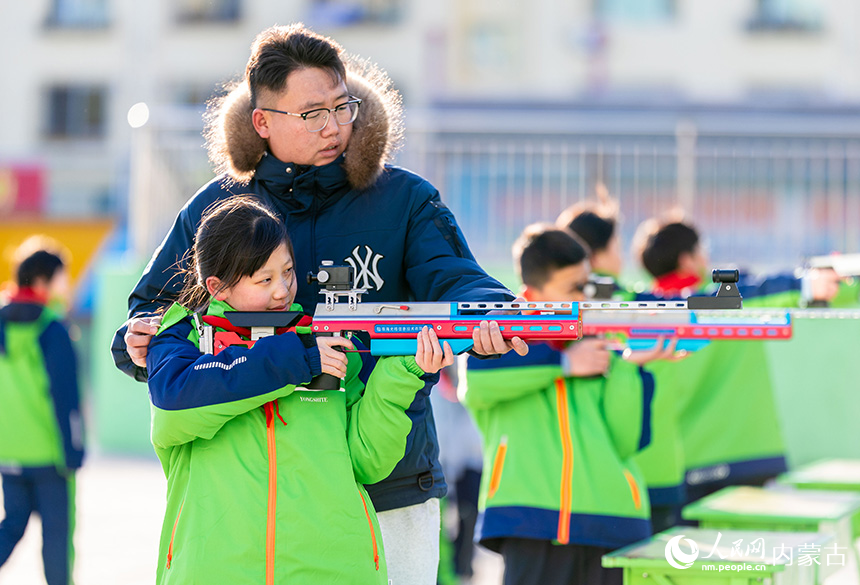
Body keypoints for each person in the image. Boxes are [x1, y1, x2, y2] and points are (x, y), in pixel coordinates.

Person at [110, 23, 526, 584]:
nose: (334, 127)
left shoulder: (404, 198)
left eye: (342, 106)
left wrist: (492, 315)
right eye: (312, 114)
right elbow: (155, 310)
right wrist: (134, 338)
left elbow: (458, 279)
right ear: (263, 121)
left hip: (389, 483)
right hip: (245, 497)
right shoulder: (218, 208)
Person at [146, 195, 454, 584]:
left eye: (288, 272)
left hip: (333, 570)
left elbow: (367, 461)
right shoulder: (184, 340)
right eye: (265, 279)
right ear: (217, 287)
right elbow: (176, 405)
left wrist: (405, 369)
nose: (283, 290)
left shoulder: (324, 341)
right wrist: (299, 359)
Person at [460, 224, 675, 585]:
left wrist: (629, 367)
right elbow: (477, 384)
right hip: (527, 527)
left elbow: (626, 441)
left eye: (590, 286)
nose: (587, 299)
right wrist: (564, 365)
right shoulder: (498, 343)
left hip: (614, 523)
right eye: (575, 288)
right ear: (531, 294)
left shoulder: (602, 344)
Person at [634, 218, 840, 509]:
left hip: (683, 468)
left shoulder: (637, 314)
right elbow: (782, 292)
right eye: (701, 249)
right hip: (751, 456)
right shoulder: (735, 297)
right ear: (687, 259)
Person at [0, 239, 84, 585]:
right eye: (60, 278)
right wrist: (74, 451)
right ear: (40, 282)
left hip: (9, 452)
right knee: (56, 538)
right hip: (50, 456)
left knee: (13, 524)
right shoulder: (52, 329)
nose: (65, 285)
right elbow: (66, 399)